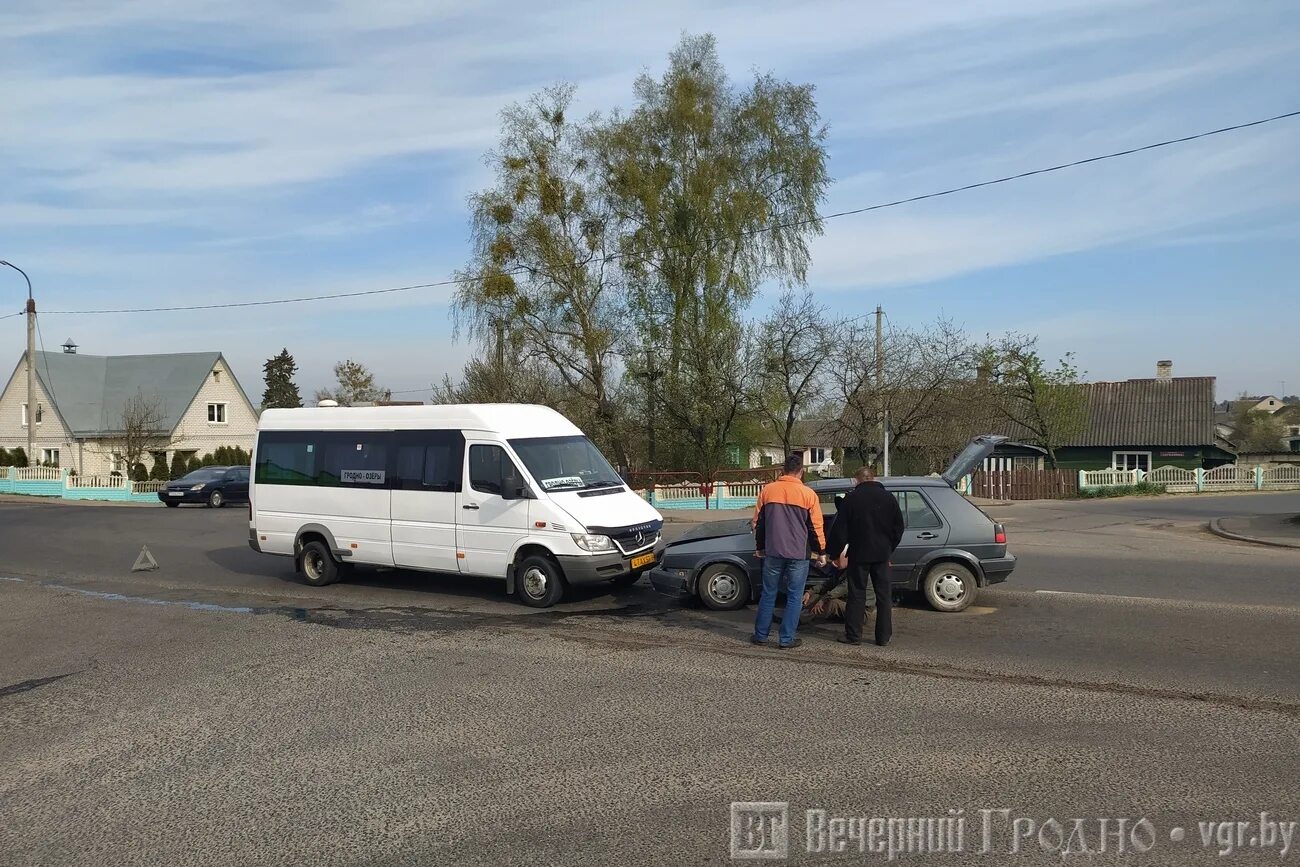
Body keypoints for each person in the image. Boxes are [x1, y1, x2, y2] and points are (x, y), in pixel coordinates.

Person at [751, 452, 826, 649]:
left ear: (783, 470)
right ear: (800, 472)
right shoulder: (808, 494)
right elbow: (816, 528)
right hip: (798, 555)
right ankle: (786, 639)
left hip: (773, 552)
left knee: (768, 593)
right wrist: (822, 552)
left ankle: (760, 636)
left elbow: (759, 523)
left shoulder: (768, 490)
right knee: (794, 596)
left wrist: (760, 548)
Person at [825, 465, 905, 647]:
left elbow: (840, 530)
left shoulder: (851, 499)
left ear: (857, 480)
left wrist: (835, 554)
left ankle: (854, 636)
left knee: (857, 594)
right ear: (873, 478)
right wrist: (889, 548)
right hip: (882, 555)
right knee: (884, 596)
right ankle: (883, 637)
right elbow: (898, 528)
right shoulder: (888, 498)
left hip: (859, 554)